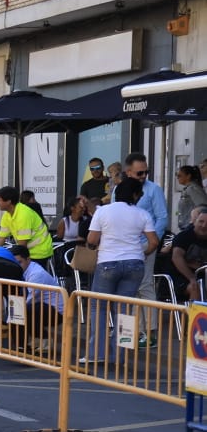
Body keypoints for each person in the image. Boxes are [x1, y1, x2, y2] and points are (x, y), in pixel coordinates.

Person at [81, 175, 158, 364]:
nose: (140, 197)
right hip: (135, 264)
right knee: (124, 310)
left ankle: (96, 354)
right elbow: (154, 242)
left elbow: (91, 240)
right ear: (134, 195)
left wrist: (93, 248)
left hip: (108, 262)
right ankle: (120, 356)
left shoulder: (103, 211)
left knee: (98, 308)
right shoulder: (142, 214)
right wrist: (143, 253)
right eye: (139, 194)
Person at [121, 153, 168, 345]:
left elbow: (162, 217)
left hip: (145, 243)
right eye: (140, 173)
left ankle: (150, 332)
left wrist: (151, 242)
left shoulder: (153, 190)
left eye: (146, 172)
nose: (143, 176)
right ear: (129, 172)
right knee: (130, 287)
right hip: (126, 245)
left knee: (145, 285)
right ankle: (135, 331)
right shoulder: (120, 190)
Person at [12, 244, 65, 345]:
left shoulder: (36, 274)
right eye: (15, 263)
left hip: (57, 311)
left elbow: (29, 300)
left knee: (25, 308)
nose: (17, 266)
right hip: (43, 307)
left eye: (20, 262)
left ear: (28, 259)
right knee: (16, 306)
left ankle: (44, 340)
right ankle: (20, 344)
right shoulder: (24, 270)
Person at [0, 185, 53, 263]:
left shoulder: (23, 214)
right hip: (27, 252)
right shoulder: (7, 215)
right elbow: (0, 238)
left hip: (40, 252)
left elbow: (22, 245)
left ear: (9, 201)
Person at [167, 205, 207, 303]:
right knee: (195, 287)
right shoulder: (184, 236)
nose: (204, 225)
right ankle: (193, 318)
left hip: (203, 277)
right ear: (194, 222)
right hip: (179, 278)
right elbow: (176, 257)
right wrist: (192, 278)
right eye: (201, 221)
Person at [52, 195, 92, 290]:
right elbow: (59, 238)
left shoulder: (86, 220)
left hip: (80, 251)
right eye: (80, 207)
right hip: (66, 251)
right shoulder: (64, 221)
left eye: (83, 207)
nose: (82, 209)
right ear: (72, 208)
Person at [175, 164, 207, 231]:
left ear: (188, 176)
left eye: (179, 176)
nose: (177, 178)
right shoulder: (187, 189)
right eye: (176, 176)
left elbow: (203, 205)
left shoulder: (192, 188)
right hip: (185, 227)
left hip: (192, 227)